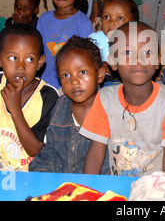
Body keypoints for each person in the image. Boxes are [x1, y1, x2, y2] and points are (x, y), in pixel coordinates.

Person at [80, 21, 165, 177]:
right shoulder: (105, 98)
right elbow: (96, 152)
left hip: (155, 189)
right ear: (113, 62)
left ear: (158, 60)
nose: (138, 60)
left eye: (147, 52)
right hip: (117, 188)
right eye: (127, 53)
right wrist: (86, 190)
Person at [0, 23, 59, 171]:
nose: (21, 66)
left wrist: (15, 109)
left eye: (29, 59)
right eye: (12, 57)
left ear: (40, 62)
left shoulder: (48, 96)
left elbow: (35, 149)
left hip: (29, 174)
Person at [29, 36, 110, 174]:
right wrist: (41, 174)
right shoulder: (59, 107)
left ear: (100, 74)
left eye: (82, 72)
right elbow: (50, 153)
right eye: (66, 75)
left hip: (99, 186)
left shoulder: (110, 110)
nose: (74, 81)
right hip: (62, 186)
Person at [37, 0, 93, 90]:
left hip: (71, 84)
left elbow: (87, 57)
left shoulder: (82, 22)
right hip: (44, 82)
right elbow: (37, 50)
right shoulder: (44, 19)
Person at [89, 0, 139, 85]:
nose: (111, 22)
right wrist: (99, 65)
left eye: (119, 18)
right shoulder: (94, 40)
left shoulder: (137, 43)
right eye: (106, 17)